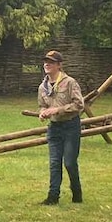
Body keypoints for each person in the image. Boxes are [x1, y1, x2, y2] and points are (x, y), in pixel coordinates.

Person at [36, 50, 84, 205]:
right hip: (54, 127)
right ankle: (52, 197)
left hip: (71, 126)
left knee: (69, 162)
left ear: (59, 65)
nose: (46, 64)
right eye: (45, 61)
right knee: (54, 163)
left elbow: (79, 105)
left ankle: (77, 192)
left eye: (50, 62)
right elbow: (42, 105)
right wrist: (43, 113)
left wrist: (57, 110)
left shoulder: (70, 82)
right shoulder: (42, 87)